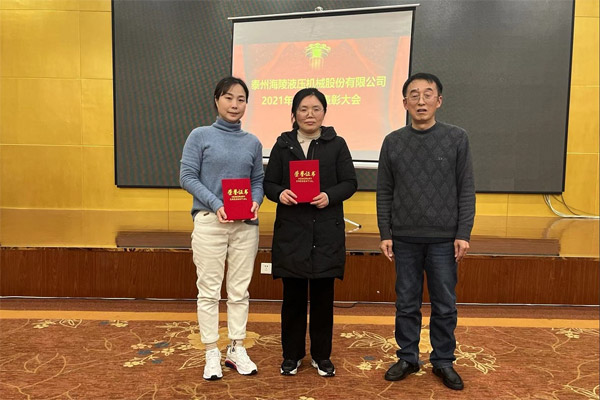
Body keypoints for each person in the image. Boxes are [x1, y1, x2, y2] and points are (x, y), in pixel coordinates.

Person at [376, 73, 475, 390]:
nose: (421, 101)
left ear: (439, 101)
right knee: (406, 303)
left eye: (428, 94)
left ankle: (443, 360)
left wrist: (463, 233)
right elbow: (385, 191)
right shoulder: (393, 141)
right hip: (404, 238)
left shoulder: (457, 138)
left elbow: (466, 190)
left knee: (445, 304)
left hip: (444, 240)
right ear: (404, 102)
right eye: (414, 95)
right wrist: (385, 232)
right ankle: (407, 357)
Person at [264, 88, 357, 377]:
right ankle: (291, 356)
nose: (310, 114)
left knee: (322, 300)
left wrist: (329, 196)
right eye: (303, 109)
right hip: (292, 233)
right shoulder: (283, 145)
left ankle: (321, 356)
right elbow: (269, 184)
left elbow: (350, 182)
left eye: (316, 109)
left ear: (324, 113)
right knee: (292, 300)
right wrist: (280, 194)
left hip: (326, 232)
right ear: (294, 114)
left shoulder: (337, 144)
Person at [180, 77, 264, 381]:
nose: (235, 105)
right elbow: (187, 176)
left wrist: (255, 201)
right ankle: (211, 351)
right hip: (210, 222)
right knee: (209, 291)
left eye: (241, 99)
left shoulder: (252, 142)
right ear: (217, 100)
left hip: (245, 226)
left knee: (239, 291)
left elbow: (257, 180)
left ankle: (236, 347)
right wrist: (217, 204)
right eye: (229, 98)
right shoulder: (200, 135)